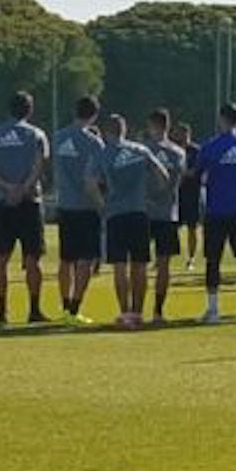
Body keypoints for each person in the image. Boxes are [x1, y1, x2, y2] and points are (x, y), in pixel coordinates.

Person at [92, 113, 169, 329]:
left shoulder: (103, 154)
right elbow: (162, 175)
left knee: (119, 265)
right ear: (124, 130)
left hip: (116, 213)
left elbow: (90, 183)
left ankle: (124, 311)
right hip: (139, 212)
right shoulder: (140, 150)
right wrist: (152, 195)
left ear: (107, 132)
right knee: (140, 264)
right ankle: (138, 311)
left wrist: (102, 206)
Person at [0, 91, 51, 325]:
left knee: (1, 259)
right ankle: (34, 310)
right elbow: (40, 162)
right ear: (29, 110)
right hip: (30, 201)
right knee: (33, 259)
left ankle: (2, 311)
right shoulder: (37, 134)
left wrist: (7, 186)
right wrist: (24, 187)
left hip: (4, 202)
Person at [191, 103, 236, 324]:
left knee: (213, 260)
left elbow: (197, 173)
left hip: (216, 211)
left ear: (222, 119)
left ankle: (213, 310)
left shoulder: (210, 147)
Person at [50, 96, 105, 326]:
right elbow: (98, 176)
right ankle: (74, 307)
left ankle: (64, 307)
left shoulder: (58, 137)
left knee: (66, 259)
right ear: (94, 115)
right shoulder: (94, 143)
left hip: (65, 204)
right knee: (85, 260)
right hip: (87, 206)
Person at [142, 110, 186, 324]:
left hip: (145, 212)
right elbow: (175, 183)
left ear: (152, 125)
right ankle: (158, 312)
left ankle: (135, 310)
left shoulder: (142, 151)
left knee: (138, 263)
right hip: (167, 213)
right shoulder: (178, 153)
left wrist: (147, 198)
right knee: (163, 265)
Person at [170, 120, 202, 271]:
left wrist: (183, 174)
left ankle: (191, 258)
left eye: (180, 133)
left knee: (192, 228)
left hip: (191, 194)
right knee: (170, 227)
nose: (177, 136)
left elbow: (196, 171)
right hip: (176, 194)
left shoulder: (195, 151)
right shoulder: (173, 150)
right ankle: (165, 257)